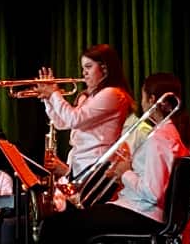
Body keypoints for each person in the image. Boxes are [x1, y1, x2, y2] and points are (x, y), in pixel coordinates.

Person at [26, 72, 190, 244]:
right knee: (75, 226)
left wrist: (123, 172)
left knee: (58, 226)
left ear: (150, 99)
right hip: (140, 210)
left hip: (143, 213)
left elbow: (152, 193)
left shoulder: (160, 138)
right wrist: (125, 173)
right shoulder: (168, 134)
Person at [35, 44, 135, 212]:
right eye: (83, 68)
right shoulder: (92, 96)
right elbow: (62, 123)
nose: (84, 73)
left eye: (89, 67)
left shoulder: (113, 94)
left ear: (104, 68)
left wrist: (54, 93)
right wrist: (47, 98)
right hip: (81, 165)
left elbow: (74, 119)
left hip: (96, 166)